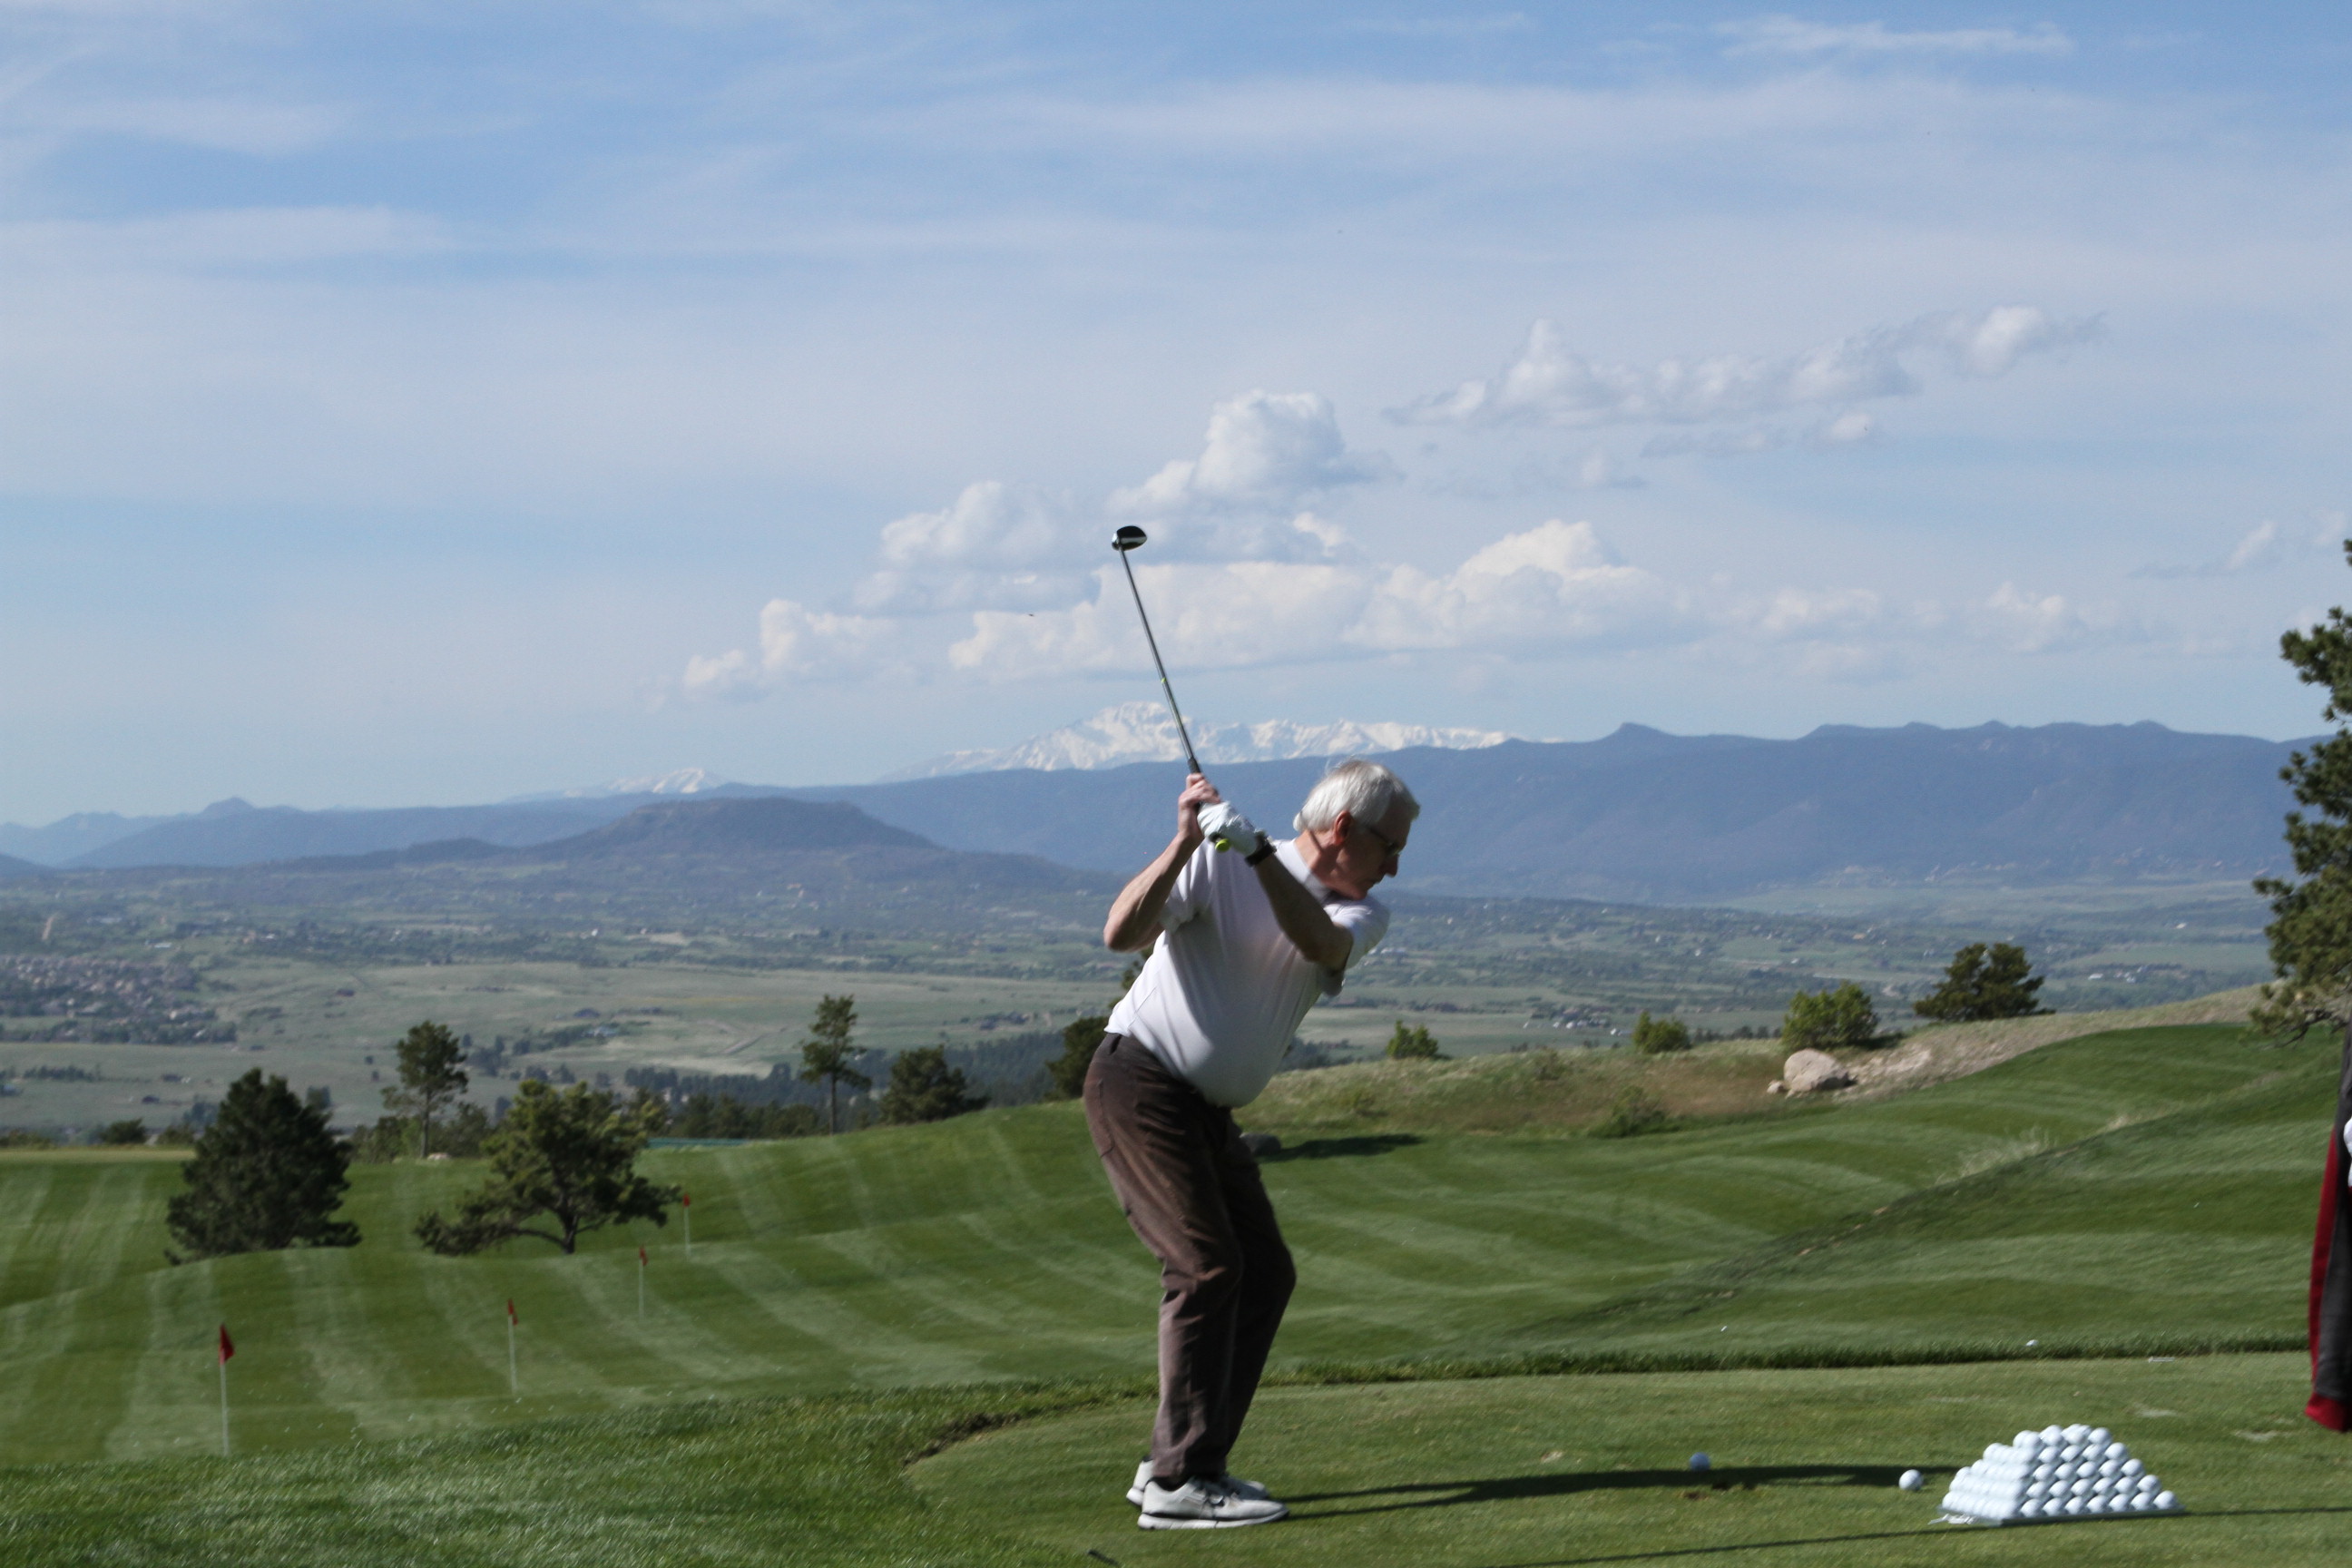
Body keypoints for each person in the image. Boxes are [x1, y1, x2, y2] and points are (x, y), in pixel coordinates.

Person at [1085, 756, 1418, 1530]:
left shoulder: (1359, 914)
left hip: (1205, 1111)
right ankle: (1182, 1482)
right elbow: (1118, 935)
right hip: (1140, 1081)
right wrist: (1182, 845)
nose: (1396, 867)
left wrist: (1257, 853)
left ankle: (1179, 1461)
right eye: (1389, 847)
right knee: (1207, 1267)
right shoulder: (1217, 864)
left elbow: (1318, 947)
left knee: (1263, 1274)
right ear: (1343, 830)